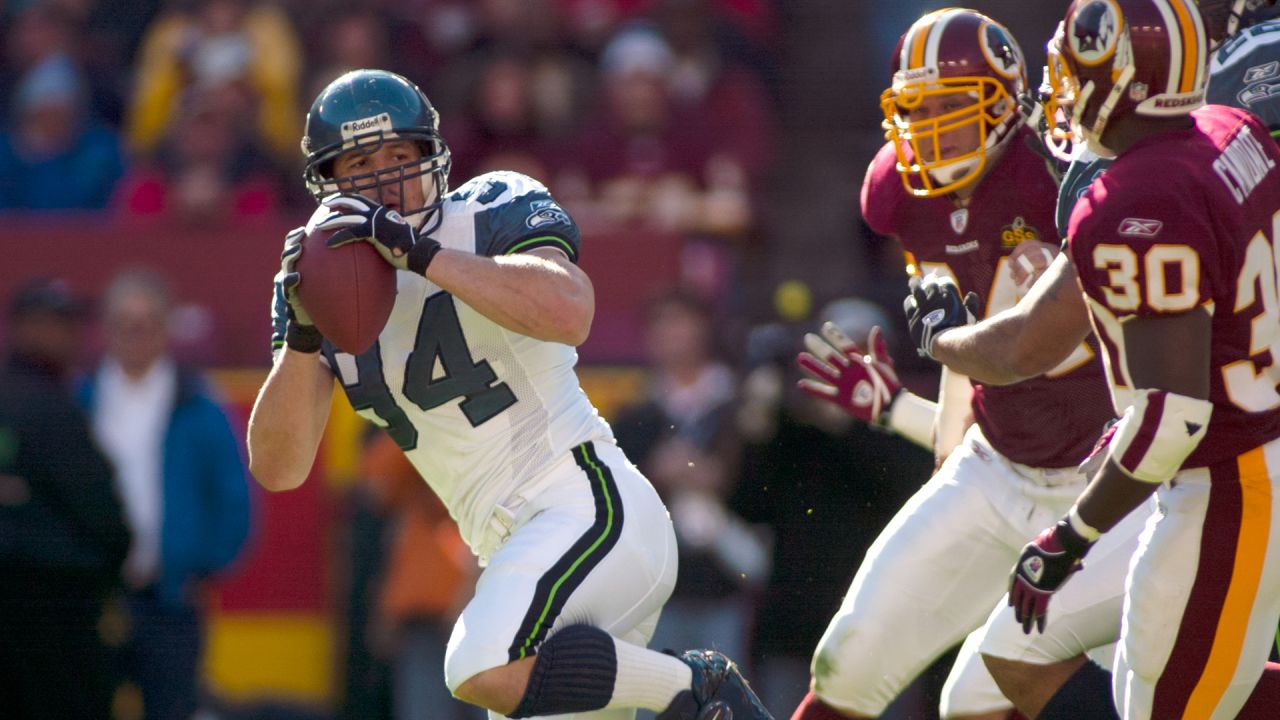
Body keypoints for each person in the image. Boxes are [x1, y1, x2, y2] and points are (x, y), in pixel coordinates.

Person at [246, 68, 772, 720]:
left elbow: (569, 308)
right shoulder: (315, 283)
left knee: (479, 663)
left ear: (430, 155)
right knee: (502, 674)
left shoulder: (488, 206)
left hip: (588, 509)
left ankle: (696, 692)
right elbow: (279, 466)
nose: (385, 179)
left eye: (399, 156)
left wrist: (421, 252)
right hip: (512, 554)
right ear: (329, 179)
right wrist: (301, 336)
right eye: (361, 162)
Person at [893, 1, 1280, 717]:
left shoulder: (1133, 202)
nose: (1058, 90)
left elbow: (1172, 417)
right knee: (1033, 682)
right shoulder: (1234, 131)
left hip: (1224, 478)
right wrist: (949, 343)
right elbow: (1029, 342)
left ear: (1123, 79)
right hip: (1229, 449)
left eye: (1072, 70)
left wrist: (1070, 536)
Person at [789, 9, 1119, 720]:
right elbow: (969, 353)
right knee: (848, 662)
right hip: (994, 466)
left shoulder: (1064, 181)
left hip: (1107, 485)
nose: (930, 128)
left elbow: (1020, 350)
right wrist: (902, 413)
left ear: (1005, 106)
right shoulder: (902, 192)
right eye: (917, 109)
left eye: (951, 107)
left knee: (983, 697)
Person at [76, 269, 252, 720]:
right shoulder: (81, 401)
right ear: (107, 328)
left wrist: (203, 566)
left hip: (170, 598)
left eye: (148, 322)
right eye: (125, 322)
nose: (136, 334)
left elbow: (233, 496)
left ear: (167, 327)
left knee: (173, 707)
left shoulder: (198, 403)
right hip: (92, 597)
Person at [611, 289, 768, 669]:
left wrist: (716, 477)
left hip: (730, 582)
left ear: (704, 329)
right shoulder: (635, 414)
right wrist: (656, 475)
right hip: (656, 592)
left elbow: (768, 487)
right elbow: (613, 496)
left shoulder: (741, 404)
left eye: (680, 322)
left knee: (727, 695)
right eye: (660, 324)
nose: (671, 334)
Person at [0, 279, 131, 719]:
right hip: (56, 615)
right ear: (25, 327)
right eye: (60, 322)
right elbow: (102, 517)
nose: (73, 335)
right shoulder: (51, 410)